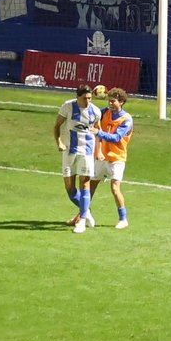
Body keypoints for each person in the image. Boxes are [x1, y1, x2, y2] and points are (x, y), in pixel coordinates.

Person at [53, 84, 101, 233]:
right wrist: (59, 142)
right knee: (70, 189)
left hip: (86, 151)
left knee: (85, 184)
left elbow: (98, 131)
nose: (88, 101)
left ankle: (81, 221)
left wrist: (98, 151)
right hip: (69, 151)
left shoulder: (95, 111)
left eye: (90, 98)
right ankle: (87, 212)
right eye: (85, 98)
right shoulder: (68, 107)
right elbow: (57, 126)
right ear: (77, 97)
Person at [90, 87, 134, 230]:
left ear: (121, 102)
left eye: (113, 101)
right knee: (90, 186)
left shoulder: (126, 120)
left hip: (117, 158)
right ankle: (82, 214)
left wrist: (98, 132)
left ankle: (123, 219)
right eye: (109, 101)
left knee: (115, 188)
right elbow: (94, 114)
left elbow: (116, 138)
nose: (110, 104)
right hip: (102, 157)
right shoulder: (105, 113)